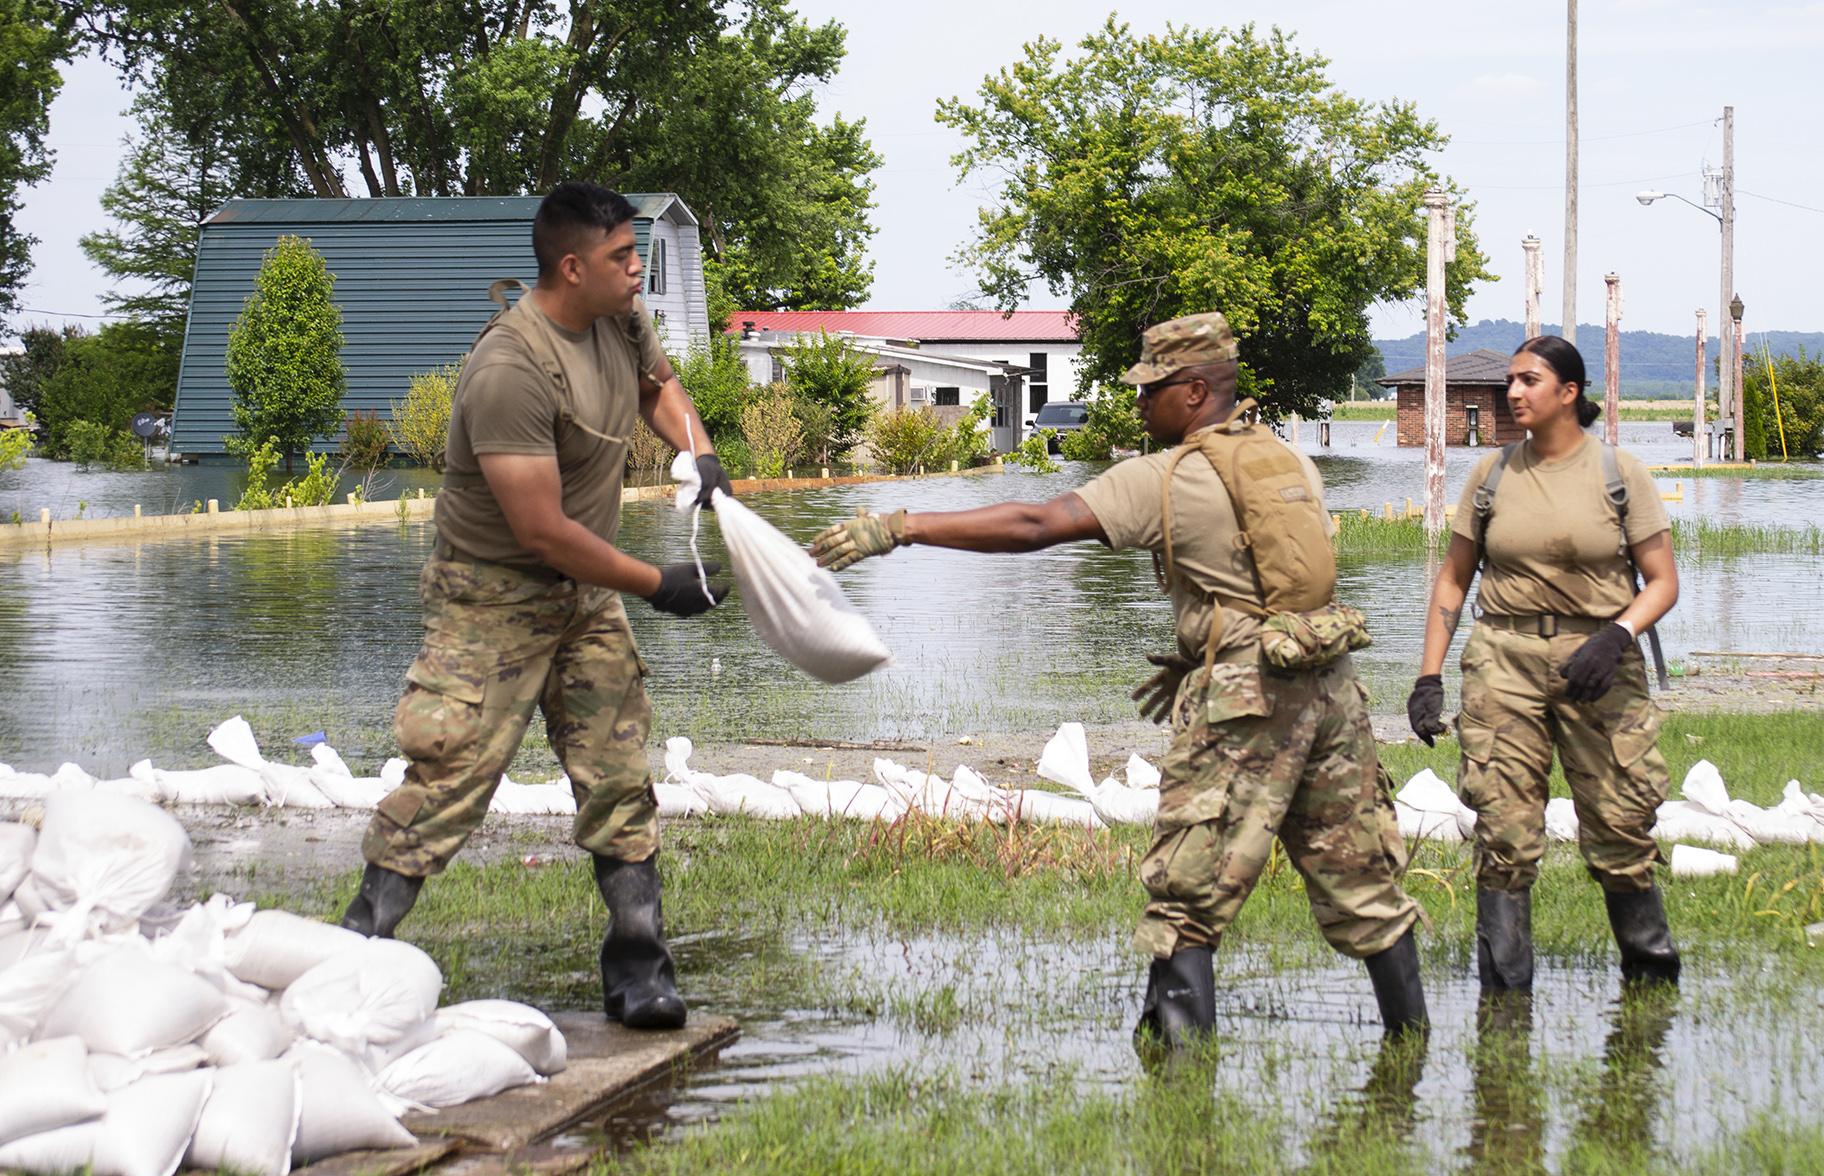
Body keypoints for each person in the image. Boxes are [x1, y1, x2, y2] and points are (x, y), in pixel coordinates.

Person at [812, 313, 1427, 1048]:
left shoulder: (1168, 476)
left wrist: (902, 528)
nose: (1138, 404)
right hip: (1330, 689)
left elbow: (1038, 523)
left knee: (1186, 896)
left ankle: (1175, 1079)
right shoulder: (1283, 460)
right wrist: (1201, 648)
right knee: (1364, 881)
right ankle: (1411, 1048)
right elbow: (1268, 584)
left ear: (1195, 390)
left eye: (1151, 390)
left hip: (1247, 700)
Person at [339, 183, 734, 1031]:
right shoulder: (510, 368)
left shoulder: (620, 319)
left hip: (585, 595)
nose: (639, 270)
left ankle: (640, 971)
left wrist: (699, 453)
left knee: (619, 775)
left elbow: (658, 388)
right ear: (570, 266)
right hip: (493, 594)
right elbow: (542, 530)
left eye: (638, 254)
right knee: (448, 778)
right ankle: (347, 965)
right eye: (624, 258)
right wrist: (655, 583)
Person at [1407, 334, 1681, 993]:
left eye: (1530, 380)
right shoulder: (1492, 474)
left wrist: (1618, 635)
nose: (1514, 392)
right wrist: (1428, 676)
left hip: (1600, 661)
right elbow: (1453, 580)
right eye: (1510, 381)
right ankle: (1504, 996)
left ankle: (1650, 980)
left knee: (1620, 821)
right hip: (1504, 659)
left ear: (1569, 393)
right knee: (1502, 828)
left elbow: (1663, 582)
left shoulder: (1621, 475)